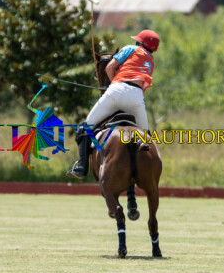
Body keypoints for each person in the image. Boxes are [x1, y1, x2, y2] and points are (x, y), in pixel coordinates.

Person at [66, 29, 159, 179]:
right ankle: (149, 169)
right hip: (136, 98)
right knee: (146, 136)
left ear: (139, 42)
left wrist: (114, 84)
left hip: (116, 91)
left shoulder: (130, 48)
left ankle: (82, 167)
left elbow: (109, 67)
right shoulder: (151, 61)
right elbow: (143, 86)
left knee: (85, 127)